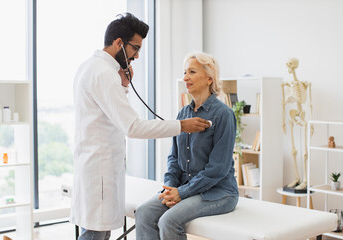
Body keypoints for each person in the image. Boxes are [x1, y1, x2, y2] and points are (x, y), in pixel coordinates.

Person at [70, 13, 210, 240]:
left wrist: (124, 85)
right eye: (135, 48)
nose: (137, 55)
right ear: (118, 43)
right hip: (99, 172)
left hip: (93, 166)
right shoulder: (104, 74)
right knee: (95, 235)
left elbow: (106, 112)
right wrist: (181, 126)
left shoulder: (91, 67)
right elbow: (132, 127)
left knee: (94, 233)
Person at [135, 52, 239, 240]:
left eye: (191, 72)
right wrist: (169, 187)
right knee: (143, 212)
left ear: (209, 78)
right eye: (185, 72)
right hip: (185, 188)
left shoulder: (224, 115)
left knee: (169, 221)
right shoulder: (183, 113)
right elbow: (174, 158)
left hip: (219, 192)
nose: (185, 78)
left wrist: (182, 193)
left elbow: (218, 168)